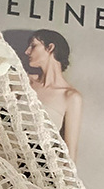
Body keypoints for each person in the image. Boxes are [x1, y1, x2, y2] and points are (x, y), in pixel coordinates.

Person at [24, 30, 82, 161]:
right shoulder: (24, 82)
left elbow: (70, 153)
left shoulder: (71, 97)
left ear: (50, 48)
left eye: (33, 45)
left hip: (40, 166)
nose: (27, 51)